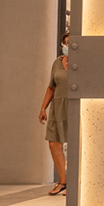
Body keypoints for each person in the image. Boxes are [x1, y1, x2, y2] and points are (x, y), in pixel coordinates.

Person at [37, 32, 70, 195]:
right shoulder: (57, 63)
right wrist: (43, 108)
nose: (68, 46)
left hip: (74, 106)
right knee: (54, 144)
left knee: (77, 145)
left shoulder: (83, 62)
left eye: (71, 43)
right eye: (66, 43)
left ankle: (76, 184)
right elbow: (51, 87)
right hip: (58, 107)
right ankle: (63, 181)